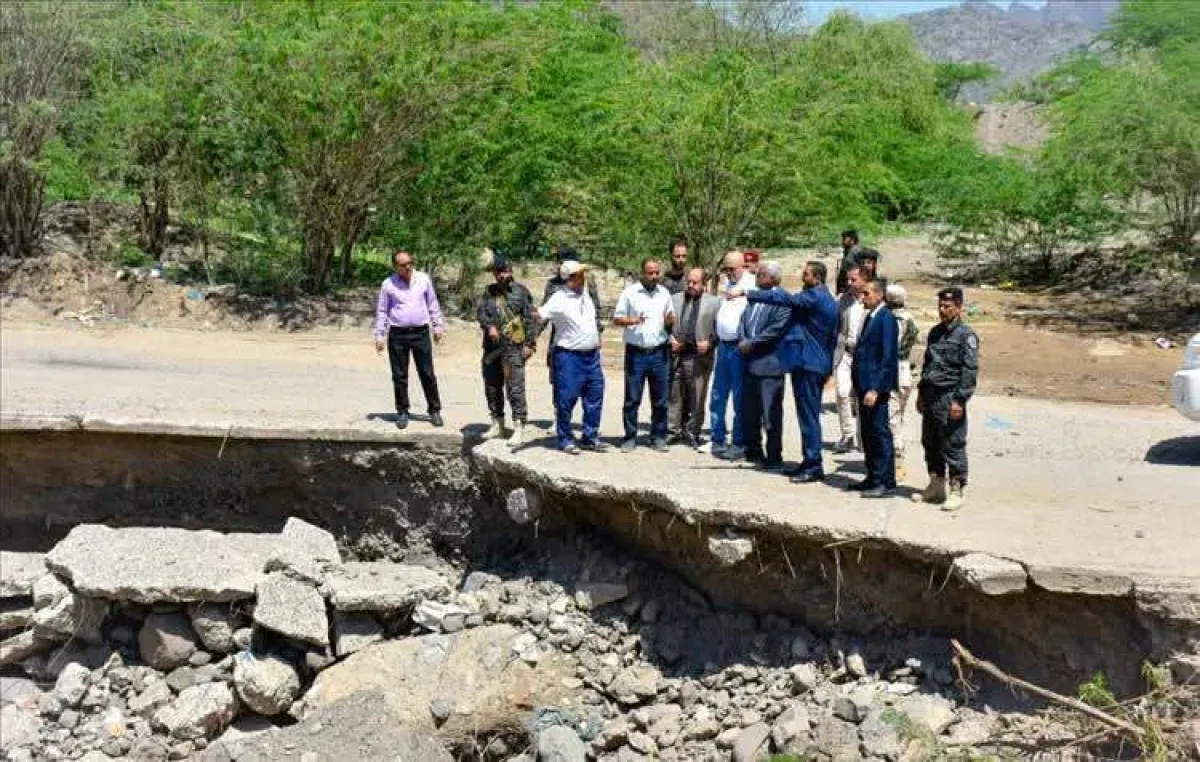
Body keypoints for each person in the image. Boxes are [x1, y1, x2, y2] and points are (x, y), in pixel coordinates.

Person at [738, 261, 839, 483]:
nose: (802, 277)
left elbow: (785, 299)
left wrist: (748, 293)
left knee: (808, 417)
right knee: (807, 416)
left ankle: (813, 465)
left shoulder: (815, 296)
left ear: (817, 278)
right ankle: (808, 461)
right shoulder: (826, 298)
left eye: (805, 274)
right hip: (814, 363)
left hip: (808, 364)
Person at [914, 287, 979, 511]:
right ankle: (936, 483)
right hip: (931, 394)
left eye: (947, 307)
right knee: (930, 442)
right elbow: (927, 365)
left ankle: (957, 488)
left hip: (950, 395)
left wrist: (960, 400)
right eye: (940, 306)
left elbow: (969, 372)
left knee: (952, 444)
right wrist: (921, 393)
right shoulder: (934, 333)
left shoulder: (966, 336)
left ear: (959, 307)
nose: (942, 310)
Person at [537, 261, 606, 454]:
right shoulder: (558, 298)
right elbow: (539, 315)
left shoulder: (586, 294)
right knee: (566, 400)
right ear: (569, 278)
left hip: (591, 356)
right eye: (579, 274)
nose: (583, 277)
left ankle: (589, 437)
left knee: (595, 395)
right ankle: (565, 438)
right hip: (569, 357)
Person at [373, 250, 445, 429]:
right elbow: (382, 311)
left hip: (420, 333)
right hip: (398, 334)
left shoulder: (423, 279)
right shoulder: (388, 284)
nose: (408, 267)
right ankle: (403, 411)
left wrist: (437, 326)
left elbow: (432, 303)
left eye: (410, 263)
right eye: (403, 265)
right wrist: (379, 335)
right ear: (395, 266)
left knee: (427, 373)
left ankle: (434, 410)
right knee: (399, 376)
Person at [733, 261, 792, 472]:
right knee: (750, 411)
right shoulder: (755, 298)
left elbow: (776, 330)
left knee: (771, 413)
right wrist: (742, 339)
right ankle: (753, 450)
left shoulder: (782, 300)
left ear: (773, 278)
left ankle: (774, 456)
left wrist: (752, 343)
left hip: (770, 364)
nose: (757, 276)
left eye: (762, 274)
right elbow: (743, 321)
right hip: (749, 362)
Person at [613, 258, 676, 452]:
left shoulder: (664, 293)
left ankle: (658, 437)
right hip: (636, 353)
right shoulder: (630, 293)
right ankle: (630, 437)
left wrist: (670, 320)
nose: (654, 276)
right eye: (650, 272)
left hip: (660, 352)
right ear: (642, 273)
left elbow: (670, 317)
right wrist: (631, 320)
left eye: (657, 272)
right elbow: (617, 318)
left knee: (661, 399)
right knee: (632, 398)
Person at [476, 255, 537, 448]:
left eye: (505, 271)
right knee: (492, 386)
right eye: (498, 272)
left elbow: (530, 319)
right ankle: (497, 424)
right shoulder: (489, 292)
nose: (502, 275)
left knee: (515, 388)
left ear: (510, 271)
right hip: (492, 348)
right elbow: (481, 313)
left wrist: (530, 344)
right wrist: (489, 326)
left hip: (514, 348)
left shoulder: (521, 292)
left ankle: (519, 426)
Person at [850, 278, 899, 497]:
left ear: (880, 295)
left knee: (879, 432)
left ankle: (885, 481)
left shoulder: (886, 318)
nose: (863, 298)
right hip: (863, 384)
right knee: (867, 433)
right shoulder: (871, 316)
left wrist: (876, 388)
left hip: (874, 387)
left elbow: (888, 358)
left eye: (867, 294)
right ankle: (872, 475)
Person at [709, 251, 757, 459]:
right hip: (723, 346)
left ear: (742, 266)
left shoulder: (751, 285)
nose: (728, 273)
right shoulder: (729, 284)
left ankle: (738, 441)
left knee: (739, 396)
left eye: (731, 269)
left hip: (739, 347)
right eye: (725, 269)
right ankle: (717, 437)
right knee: (718, 393)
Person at [668, 267, 720, 448]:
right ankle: (672, 431)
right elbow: (664, 324)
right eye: (688, 282)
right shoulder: (674, 300)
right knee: (674, 395)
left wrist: (710, 344)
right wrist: (670, 339)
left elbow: (719, 331)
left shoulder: (714, 303)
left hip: (698, 357)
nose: (690, 285)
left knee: (697, 397)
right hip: (676, 355)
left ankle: (693, 432)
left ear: (704, 284)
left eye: (695, 282)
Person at [542, 245, 602, 389]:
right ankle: (560, 410)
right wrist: (529, 342)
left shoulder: (588, 284)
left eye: (560, 261)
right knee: (560, 382)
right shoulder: (553, 285)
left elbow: (596, 311)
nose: (557, 265)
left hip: (586, 341)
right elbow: (544, 316)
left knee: (588, 384)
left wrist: (598, 335)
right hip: (561, 339)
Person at [885, 284, 920, 479]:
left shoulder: (892, 320)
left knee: (892, 420)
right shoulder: (911, 319)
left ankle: (896, 463)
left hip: (894, 371)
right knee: (900, 417)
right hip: (906, 370)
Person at [833, 265, 867, 452]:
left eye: (853, 280)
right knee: (842, 393)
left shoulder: (873, 298)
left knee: (862, 398)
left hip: (864, 356)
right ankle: (847, 434)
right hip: (845, 353)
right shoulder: (843, 300)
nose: (849, 283)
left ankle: (863, 439)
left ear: (863, 279)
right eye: (848, 279)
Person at [835, 230, 862, 295]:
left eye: (844, 239)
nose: (842, 241)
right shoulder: (849, 250)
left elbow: (848, 269)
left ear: (852, 240)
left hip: (849, 286)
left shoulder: (854, 251)